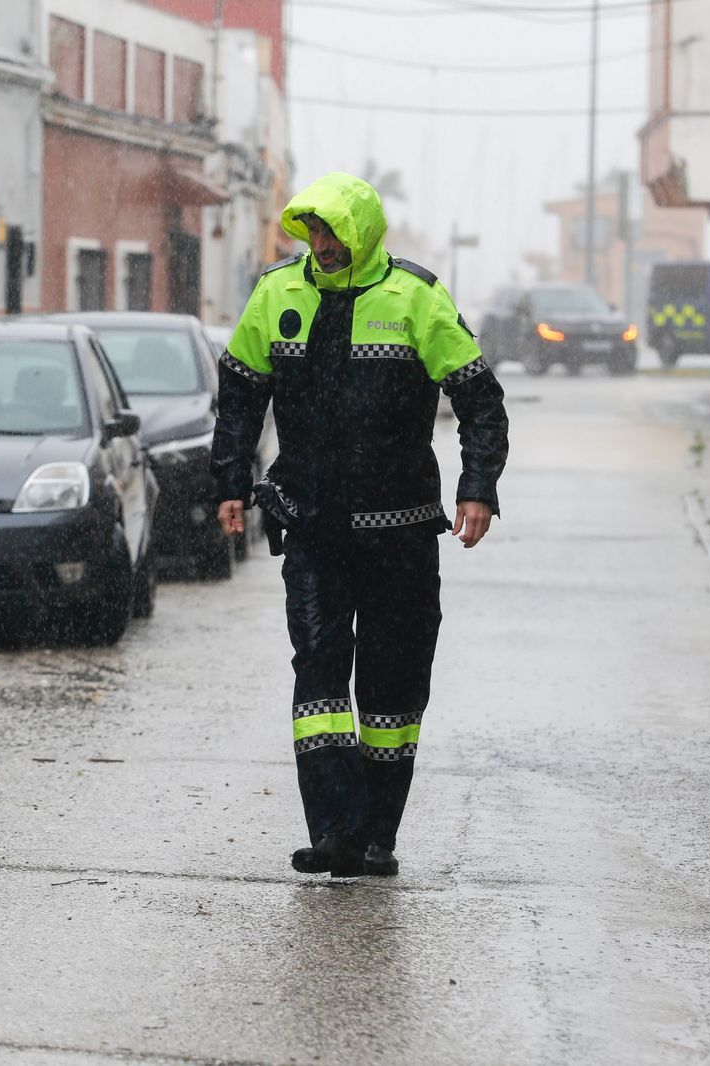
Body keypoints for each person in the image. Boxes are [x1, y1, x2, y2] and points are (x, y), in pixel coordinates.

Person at [211, 172, 509, 877]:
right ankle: (335, 832)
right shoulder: (278, 293)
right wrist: (228, 483)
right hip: (311, 526)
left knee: (391, 684)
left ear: (364, 234)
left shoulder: (415, 296)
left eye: (334, 233)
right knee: (317, 671)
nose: (321, 245)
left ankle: (377, 835)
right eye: (313, 231)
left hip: (399, 532)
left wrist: (477, 489)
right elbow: (239, 396)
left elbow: (480, 401)